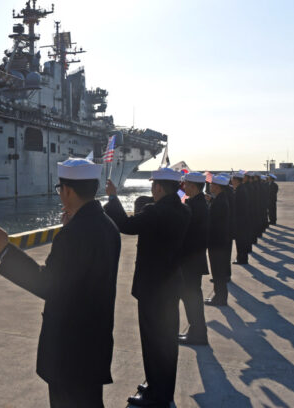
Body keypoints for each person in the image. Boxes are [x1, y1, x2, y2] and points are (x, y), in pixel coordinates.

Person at [0, 158, 121, 408]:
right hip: (96, 342)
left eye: (60, 189)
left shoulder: (72, 236)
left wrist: (5, 251)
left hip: (70, 350)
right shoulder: (109, 227)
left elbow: (47, 284)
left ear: (68, 191)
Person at [104, 168, 190, 408]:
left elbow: (126, 225)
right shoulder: (184, 210)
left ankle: (156, 396)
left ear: (159, 187)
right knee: (167, 342)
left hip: (153, 289)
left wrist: (112, 197)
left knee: (153, 342)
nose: (152, 189)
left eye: (154, 186)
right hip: (171, 286)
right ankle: (160, 387)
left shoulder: (156, 212)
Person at [177, 172, 209, 345]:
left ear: (194, 186)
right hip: (194, 260)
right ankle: (196, 331)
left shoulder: (194, 207)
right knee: (191, 298)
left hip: (190, 261)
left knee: (192, 299)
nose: (184, 187)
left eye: (186, 185)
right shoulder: (199, 203)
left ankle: (198, 334)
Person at [205, 174, 232, 307]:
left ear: (218, 187)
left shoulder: (220, 201)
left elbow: (213, 221)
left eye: (212, 185)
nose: (210, 187)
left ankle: (220, 299)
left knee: (218, 272)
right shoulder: (221, 199)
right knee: (218, 271)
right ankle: (219, 297)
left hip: (217, 242)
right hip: (220, 241)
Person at [231, 171, 252, 265]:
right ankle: (241, 257)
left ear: (236, 180)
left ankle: (242, 259)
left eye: (232, 179)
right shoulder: (241, 188)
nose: (231, 181)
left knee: (241, 241)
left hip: (240, 219)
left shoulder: (240, 190)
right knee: (242, 240)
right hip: (243, 219)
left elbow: (237, 206)